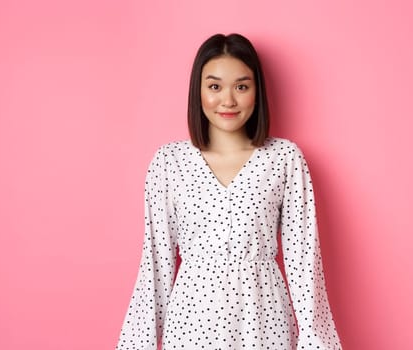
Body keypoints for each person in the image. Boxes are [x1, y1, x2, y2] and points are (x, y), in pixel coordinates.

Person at [115, 33, 343, 350]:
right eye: (214, 86)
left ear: (256, 92)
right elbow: (155, 262)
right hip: (191, 324)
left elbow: (304, 262)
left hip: (264, 321)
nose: (228, 100)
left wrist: (315, 341)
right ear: (198, 91)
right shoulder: (169, 162)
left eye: (241, 86)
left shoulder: (284, 159)